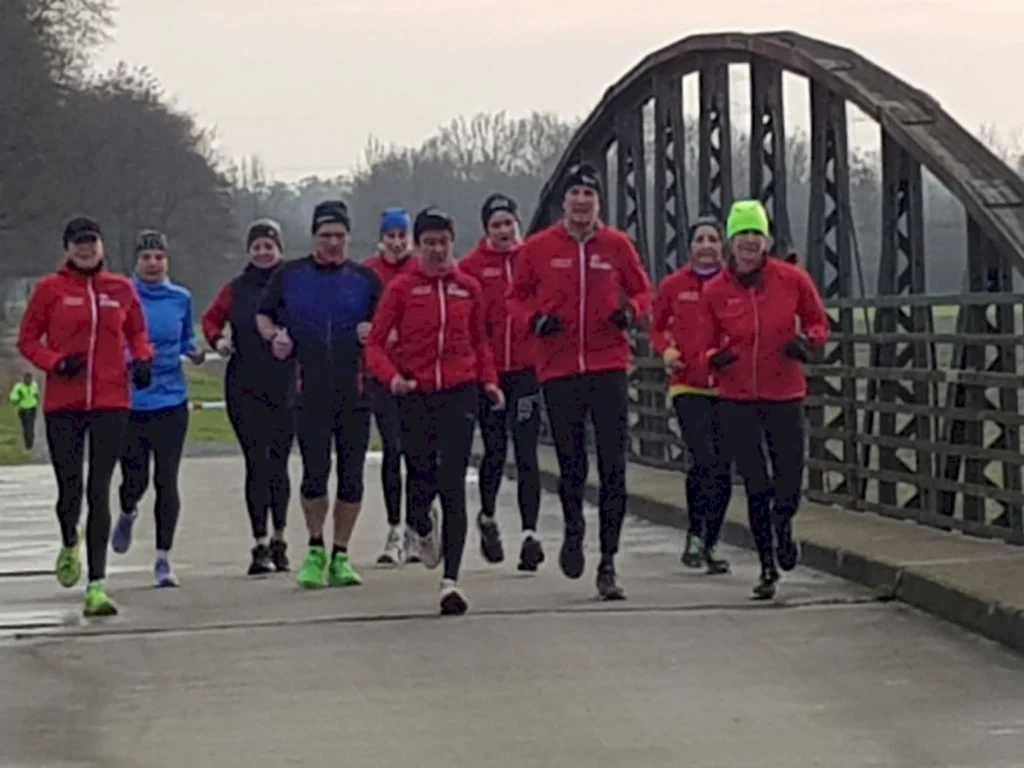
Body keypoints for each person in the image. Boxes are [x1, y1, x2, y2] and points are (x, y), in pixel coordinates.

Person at [508, 163, 653, 601]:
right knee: (572, 463)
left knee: (614, 466)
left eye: (588, 194)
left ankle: (608, 561)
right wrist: (536, 321)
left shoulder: (617, 245)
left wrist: (630, 313)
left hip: (608, 364)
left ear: (597, 201)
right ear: (564, 202)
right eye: (574, 194)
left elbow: (645, 292)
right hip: (560, 368)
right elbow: (515, 299)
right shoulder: (537, 248)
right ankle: (574, 528)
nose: (581, 201)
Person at [366, 207, 504, 616]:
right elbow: (374, 344)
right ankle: (422, 527)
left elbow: (480, 343)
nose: (437, 251)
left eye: (443, 242)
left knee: (454, 484)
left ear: (452, 241)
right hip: (415, 393)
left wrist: (490, 381)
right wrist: (391, 377)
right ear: (417, 245)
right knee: (420, 481)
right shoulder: (403, 289)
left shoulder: (468, 288)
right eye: (429, 243)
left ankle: (452, 582)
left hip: (460, 394)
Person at [688, 199, 829, 600]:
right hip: (737, 398)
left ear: (765, 240)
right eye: (742, 234)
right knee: (755, 484)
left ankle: (783, 526)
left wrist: (808, 343)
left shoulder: (792, 279)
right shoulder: (715, 291)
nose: (749, 242)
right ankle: (768, 566)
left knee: (789, 480)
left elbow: (819, 321)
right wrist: (716, 358)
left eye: (755, 233)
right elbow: (701, 345)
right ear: (731, 242)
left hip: (784, 394)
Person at [17, 216, 153, 617]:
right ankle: (67, 541)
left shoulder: (121, 289)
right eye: (78, 243)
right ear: (67, 248)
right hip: (65, 403)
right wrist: (56, 363)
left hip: (112, 401)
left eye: (91, 242)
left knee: (99, 490)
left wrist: (143, 359)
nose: (85, 248)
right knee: (70, 489)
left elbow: (137, 334)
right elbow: (27, 340)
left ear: (103, 246)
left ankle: (96, 584)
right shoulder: (50, 290)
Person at [256, 200, 381, 590]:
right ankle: (314, 548)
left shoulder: (365, 279)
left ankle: (341, 554)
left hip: (355, 391)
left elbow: (389, 324)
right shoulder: (289, 276)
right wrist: (274, 337)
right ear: (313, 237)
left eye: (339, 236)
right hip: (307, 389)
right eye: (325, 236)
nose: (333, 243)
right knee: (314, 475)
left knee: (352, 477)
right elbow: (264, 315)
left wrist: (373, 332)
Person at [110, 230, 206, 587]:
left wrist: (193, 351)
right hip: (131, 401)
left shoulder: (180, 297)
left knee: (167, 479)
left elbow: (185, 339)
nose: (153, 264)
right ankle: (128, 510)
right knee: (135, 478)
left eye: (159, 258)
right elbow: (111, 339)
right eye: (146, 258)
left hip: (171, 399)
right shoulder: (121, 296)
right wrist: (132, 360)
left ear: (167, 261)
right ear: (136, 261)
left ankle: (164, 559)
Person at [202, 219, 296, 576]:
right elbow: (211, 320)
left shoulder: (292, 285)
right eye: (256, 246)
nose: (262, 252)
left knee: (279, 464)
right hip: (245, 385)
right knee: (256, 463)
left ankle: (280, 539)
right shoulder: (236, 288)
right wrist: (219, 341)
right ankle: (258, 545)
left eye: (268, 246)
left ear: (279, 250)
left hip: (285, 383)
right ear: (249, 251)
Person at [459, 193, 544, 571]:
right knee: (495, 450)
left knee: (527, 451)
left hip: (527, 370)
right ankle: (489, 516)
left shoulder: (533, 260)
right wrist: (482, 372)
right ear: (486, 230)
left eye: (508, 223)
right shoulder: (472, 268)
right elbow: (471, 328)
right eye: (496, 225)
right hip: (489, 373)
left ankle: (530, 534)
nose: (504, 231)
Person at [650, 215, 733, 575]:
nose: (707, 245)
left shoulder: (734, 285)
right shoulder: (673, 285)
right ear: (690, 246)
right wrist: (665, 351)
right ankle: (695, 532)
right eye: (700, 239)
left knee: (724, 466)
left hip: (729, 384)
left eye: (713, 239)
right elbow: (655, 326)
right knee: (703, 458)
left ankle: (712, 541)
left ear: (722, 246)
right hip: (688, 384)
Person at [363, 207, 420, 565]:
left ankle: (418, 526)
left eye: (402, 236)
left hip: (418, 374)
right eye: (391, 236)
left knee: (420, 453)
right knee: (393, 450)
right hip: (381, 375)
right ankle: (395, 528)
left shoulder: (421, 269)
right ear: (381, 237)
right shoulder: (369, 272)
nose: (397, 243)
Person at [8, 371, 39, 450]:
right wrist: (15, 400)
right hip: (23, 410)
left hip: (32, 409)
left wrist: (36, 401)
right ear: (24, 379)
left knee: (30, 427)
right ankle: (28, 443)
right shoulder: (19, 387)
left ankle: (30, 443)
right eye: (27, 379)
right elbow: (13, 396)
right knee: (26, 428)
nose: (28, 381)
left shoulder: (34, 385)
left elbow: (36, 394)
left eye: (30, 379)